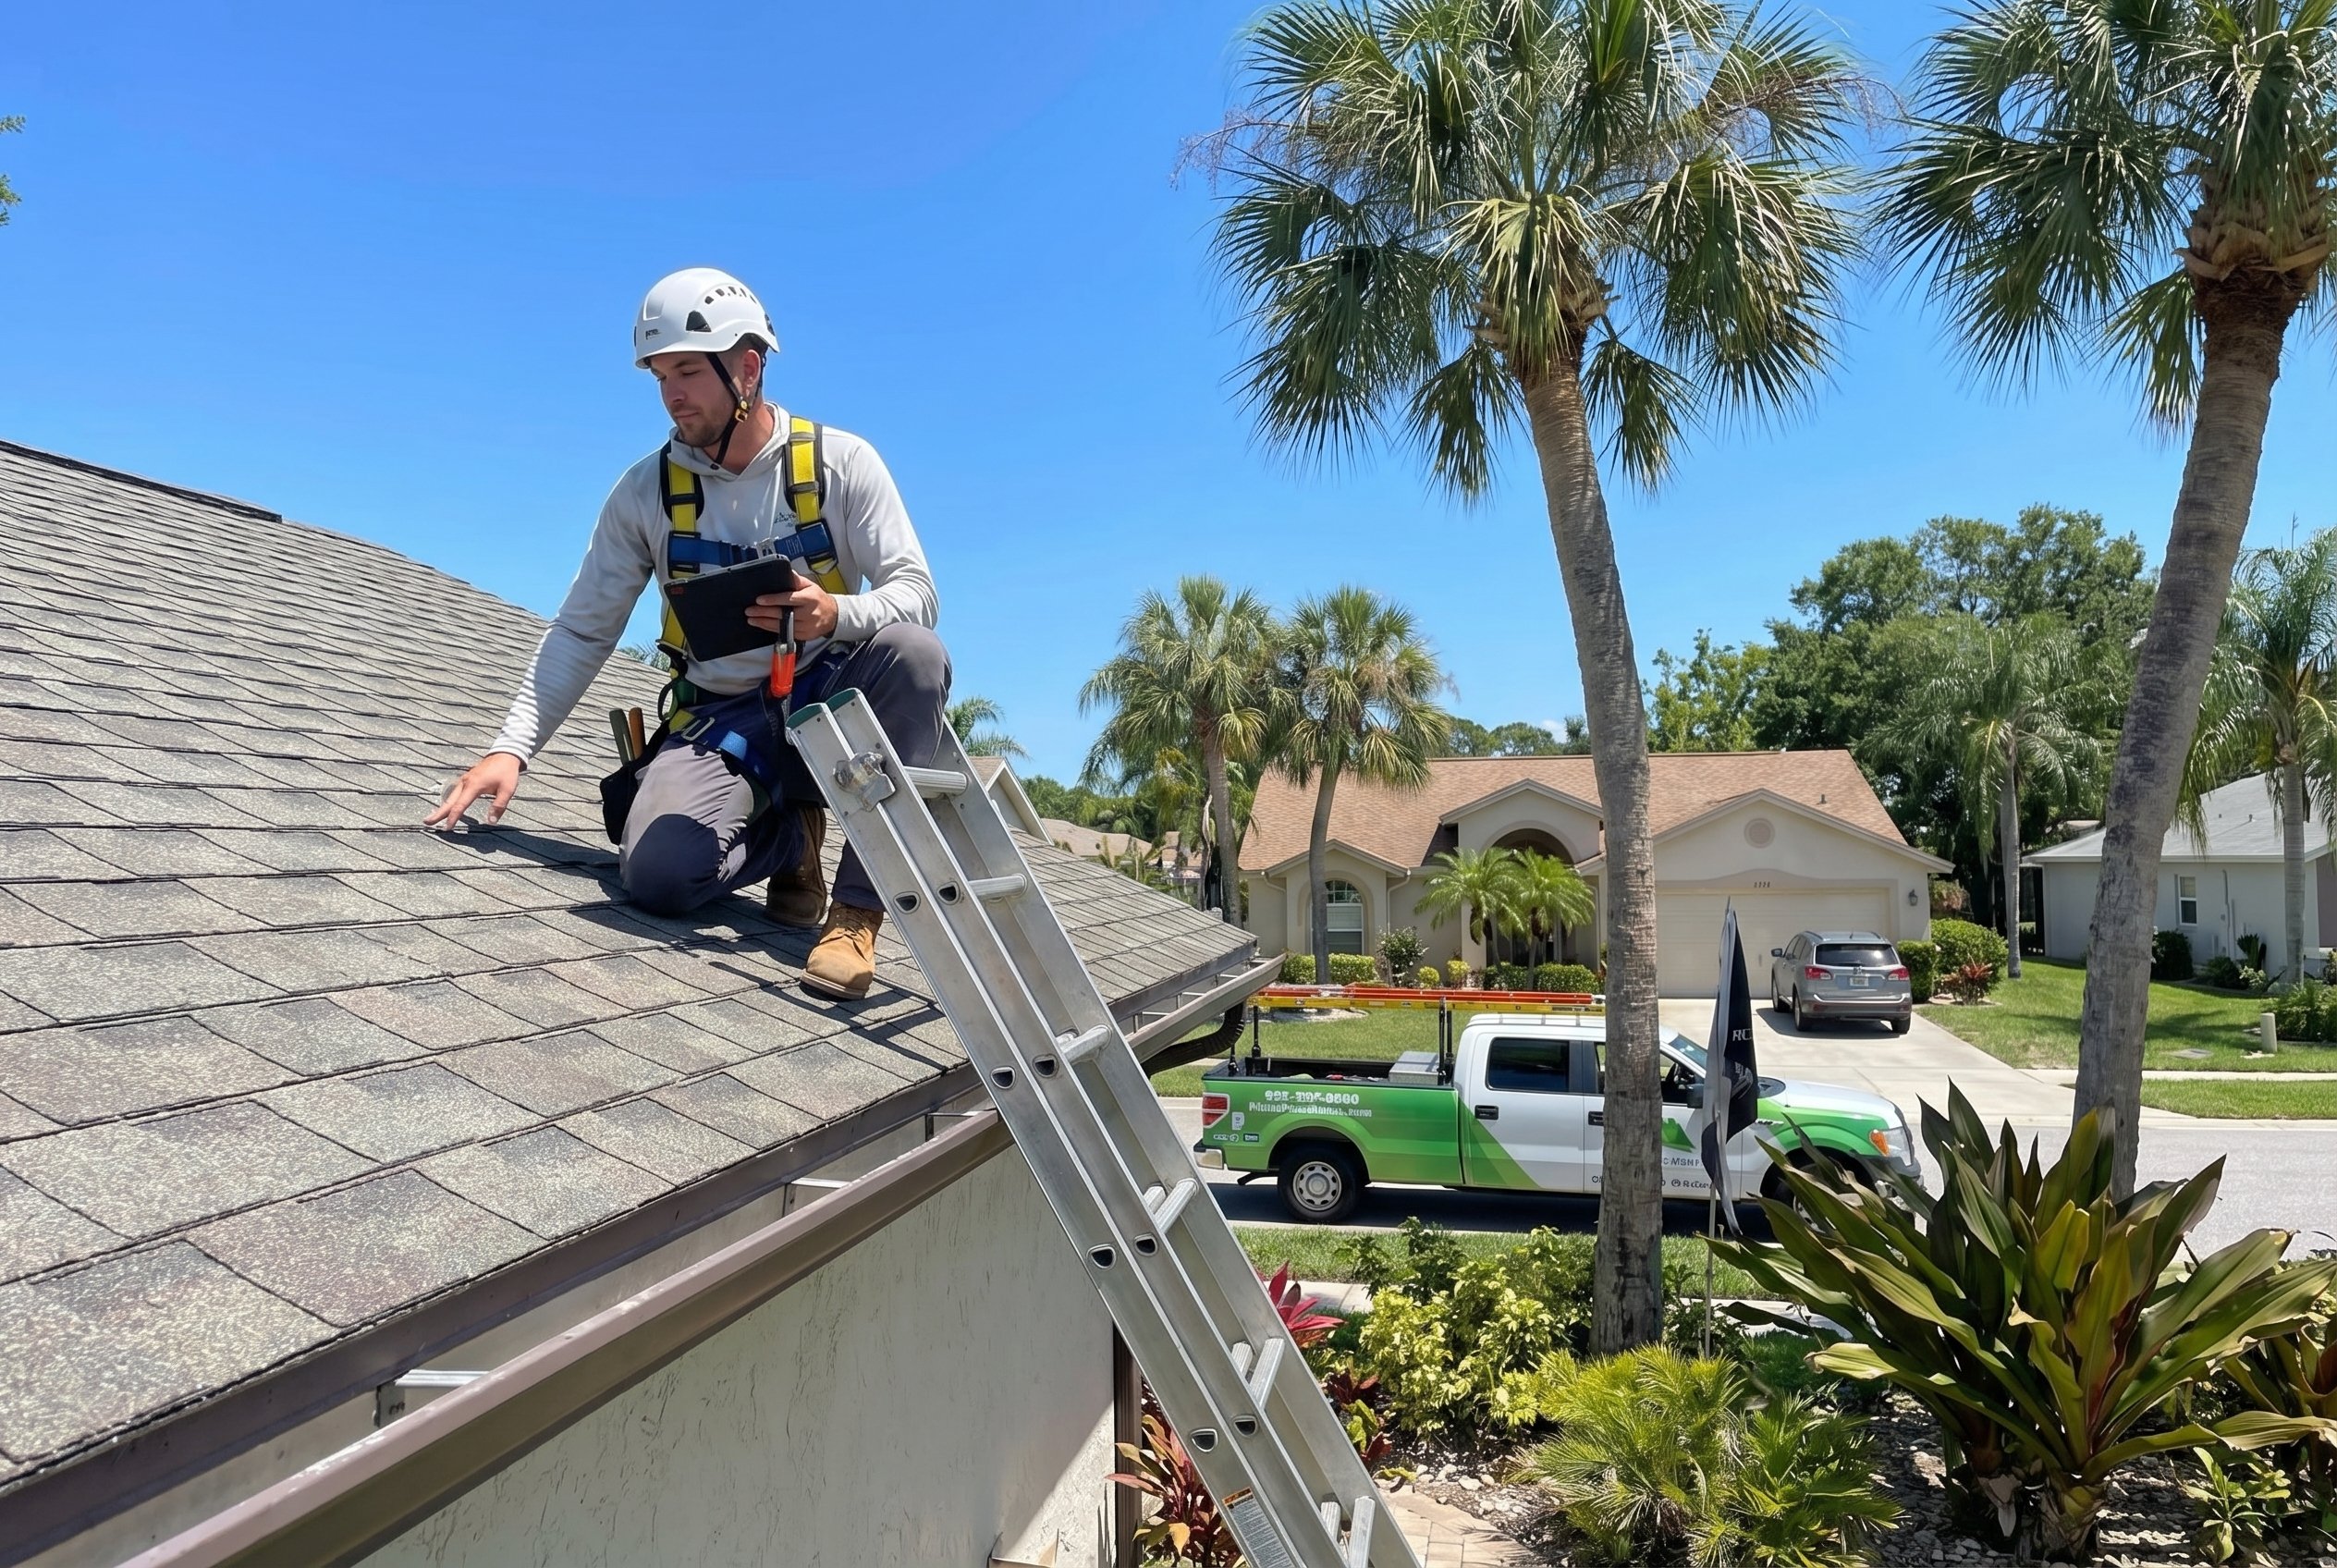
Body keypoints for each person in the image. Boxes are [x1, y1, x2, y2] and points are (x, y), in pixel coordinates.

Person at [428, 267, 948, 1000]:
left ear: (748, 369)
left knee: (915, 656)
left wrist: (836, 614)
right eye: (660, 376)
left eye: (688, 372)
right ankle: (791, 837)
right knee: (659, 879)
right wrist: (510, 749)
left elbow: (918, 597)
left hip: (827, 703)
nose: (672, 394)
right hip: (724, 716)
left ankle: (855, 913)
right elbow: (582, 630)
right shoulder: (645, 492)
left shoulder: (840, 464)